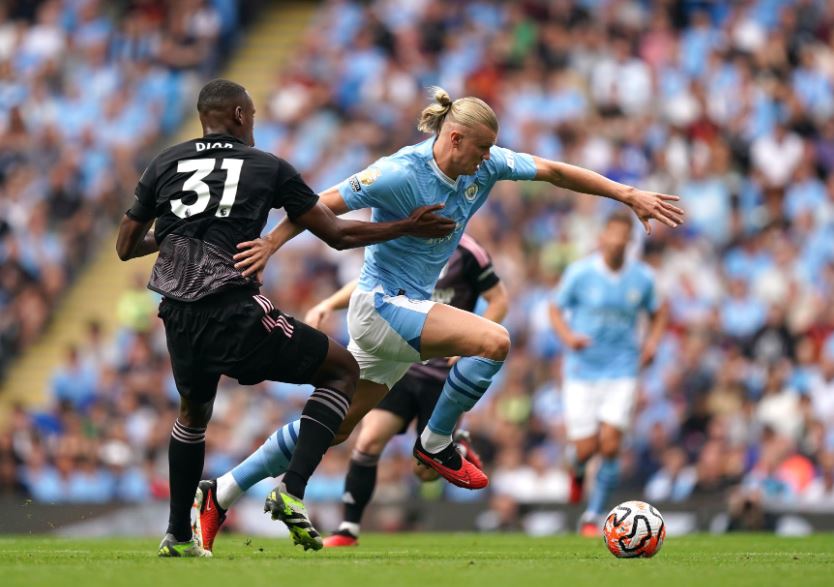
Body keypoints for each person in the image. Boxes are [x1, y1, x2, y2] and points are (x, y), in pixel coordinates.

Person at [193, 86, 683, 551]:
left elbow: (554, 171)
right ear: (454, 138)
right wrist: (270, 246)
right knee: (494, 341)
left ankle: (222, 492)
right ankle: (436, 442)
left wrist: (627, 194)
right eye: (482, 147)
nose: (489, 157)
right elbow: (318, 205)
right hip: (380, 304)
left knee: (336, 427)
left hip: (400, 317)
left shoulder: (485, 166)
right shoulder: (400, 171)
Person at [115, 79, 456, 557]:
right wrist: (405, 226)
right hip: (232, 308)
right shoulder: (267, 167)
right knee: (342, 371)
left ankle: (177, 535)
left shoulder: (164, 162)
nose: (253, 123)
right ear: (238, 114)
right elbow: (335, 234)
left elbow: (125, 246)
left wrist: (174, 232)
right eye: (251, 114)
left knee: (193, 415)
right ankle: (292, 489)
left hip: (177, 314)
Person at [195, 234, 505, 551]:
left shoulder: (468, 250)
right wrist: (326, 298)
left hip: (439, 371)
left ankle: (230, 491)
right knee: (353, 432)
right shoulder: (406, 214)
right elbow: (362, 264)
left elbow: (499, 299)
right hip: (394, 346)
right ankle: (341, 525)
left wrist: (474, 339)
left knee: (422, 472)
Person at [548, 210, 668, 536]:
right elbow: (555, 308)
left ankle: (593, 515)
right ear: (601, 237)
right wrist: (569, 337)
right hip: (582, 369)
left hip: (623, 369)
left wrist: (653, 343)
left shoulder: (642, 278)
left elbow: (659, 312)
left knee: (612, 444)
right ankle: (576, 468)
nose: (616, 241)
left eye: (622, 236)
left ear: (629, 241)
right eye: (611, 234)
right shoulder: (580, 273)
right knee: (586, 449)